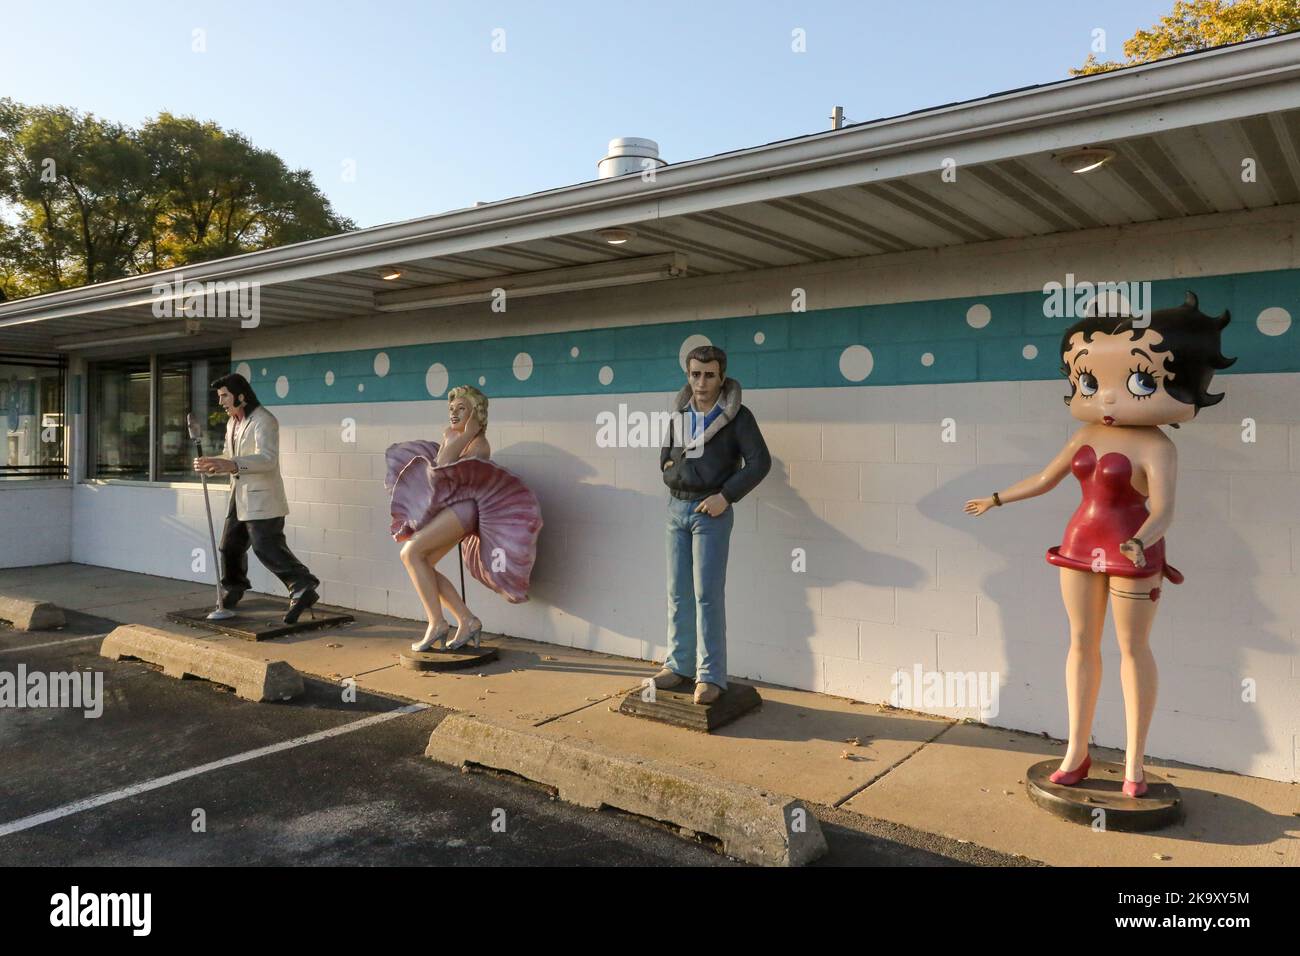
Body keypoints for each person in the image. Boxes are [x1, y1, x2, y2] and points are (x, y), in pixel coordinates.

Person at [964, 293, 1234, 797]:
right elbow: (1046, 479)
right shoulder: (1085, 433)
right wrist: (997, 499)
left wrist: (1140, 540)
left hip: (1135, 554)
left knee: (1133, 650)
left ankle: (1135, 763)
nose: (1107, 398)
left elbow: (1165, 510)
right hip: (1079, 545)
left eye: (1136, 381)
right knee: (1081, 644)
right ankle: (1077, 750)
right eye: (1089, 382)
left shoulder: (1158, 445)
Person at [386, 385, 542, 652]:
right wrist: (457, 436)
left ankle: (437, 623)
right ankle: (467, 620)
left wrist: (467, 434)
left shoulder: (479, 445)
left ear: (475, 414)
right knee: (423, 563)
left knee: (410, 554)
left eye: (461, 409)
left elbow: (441, 468)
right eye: (451, 409)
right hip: (452, 509)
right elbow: (437, 472)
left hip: (465, 510)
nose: (454, 414)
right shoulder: (453, 436)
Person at [655, 345, 771, 704]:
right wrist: (667, 469)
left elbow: (759, 462)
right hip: (676, 508)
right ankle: (678, 665)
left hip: (711, 513)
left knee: (707, 596)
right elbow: (667, 452)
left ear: (721, 377)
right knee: (677, 592)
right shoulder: (681, 412)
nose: (701, 383)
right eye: (694, 374)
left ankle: (711, 676)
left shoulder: (739, 417)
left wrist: (727, 496)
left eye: (708, 375)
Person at [193, 373, 320, 624]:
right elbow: (231, 456)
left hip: (263, 499)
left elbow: (267, 458)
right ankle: (234, 586)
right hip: (239, 496)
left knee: (266, 546)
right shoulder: (233, 423)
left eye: (225, 396)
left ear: (241, 395)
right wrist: (213, 464)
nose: (221, 403)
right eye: (219, 397)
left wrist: (230, 464)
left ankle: (301, 584)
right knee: (229, 545)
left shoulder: (264, 421)